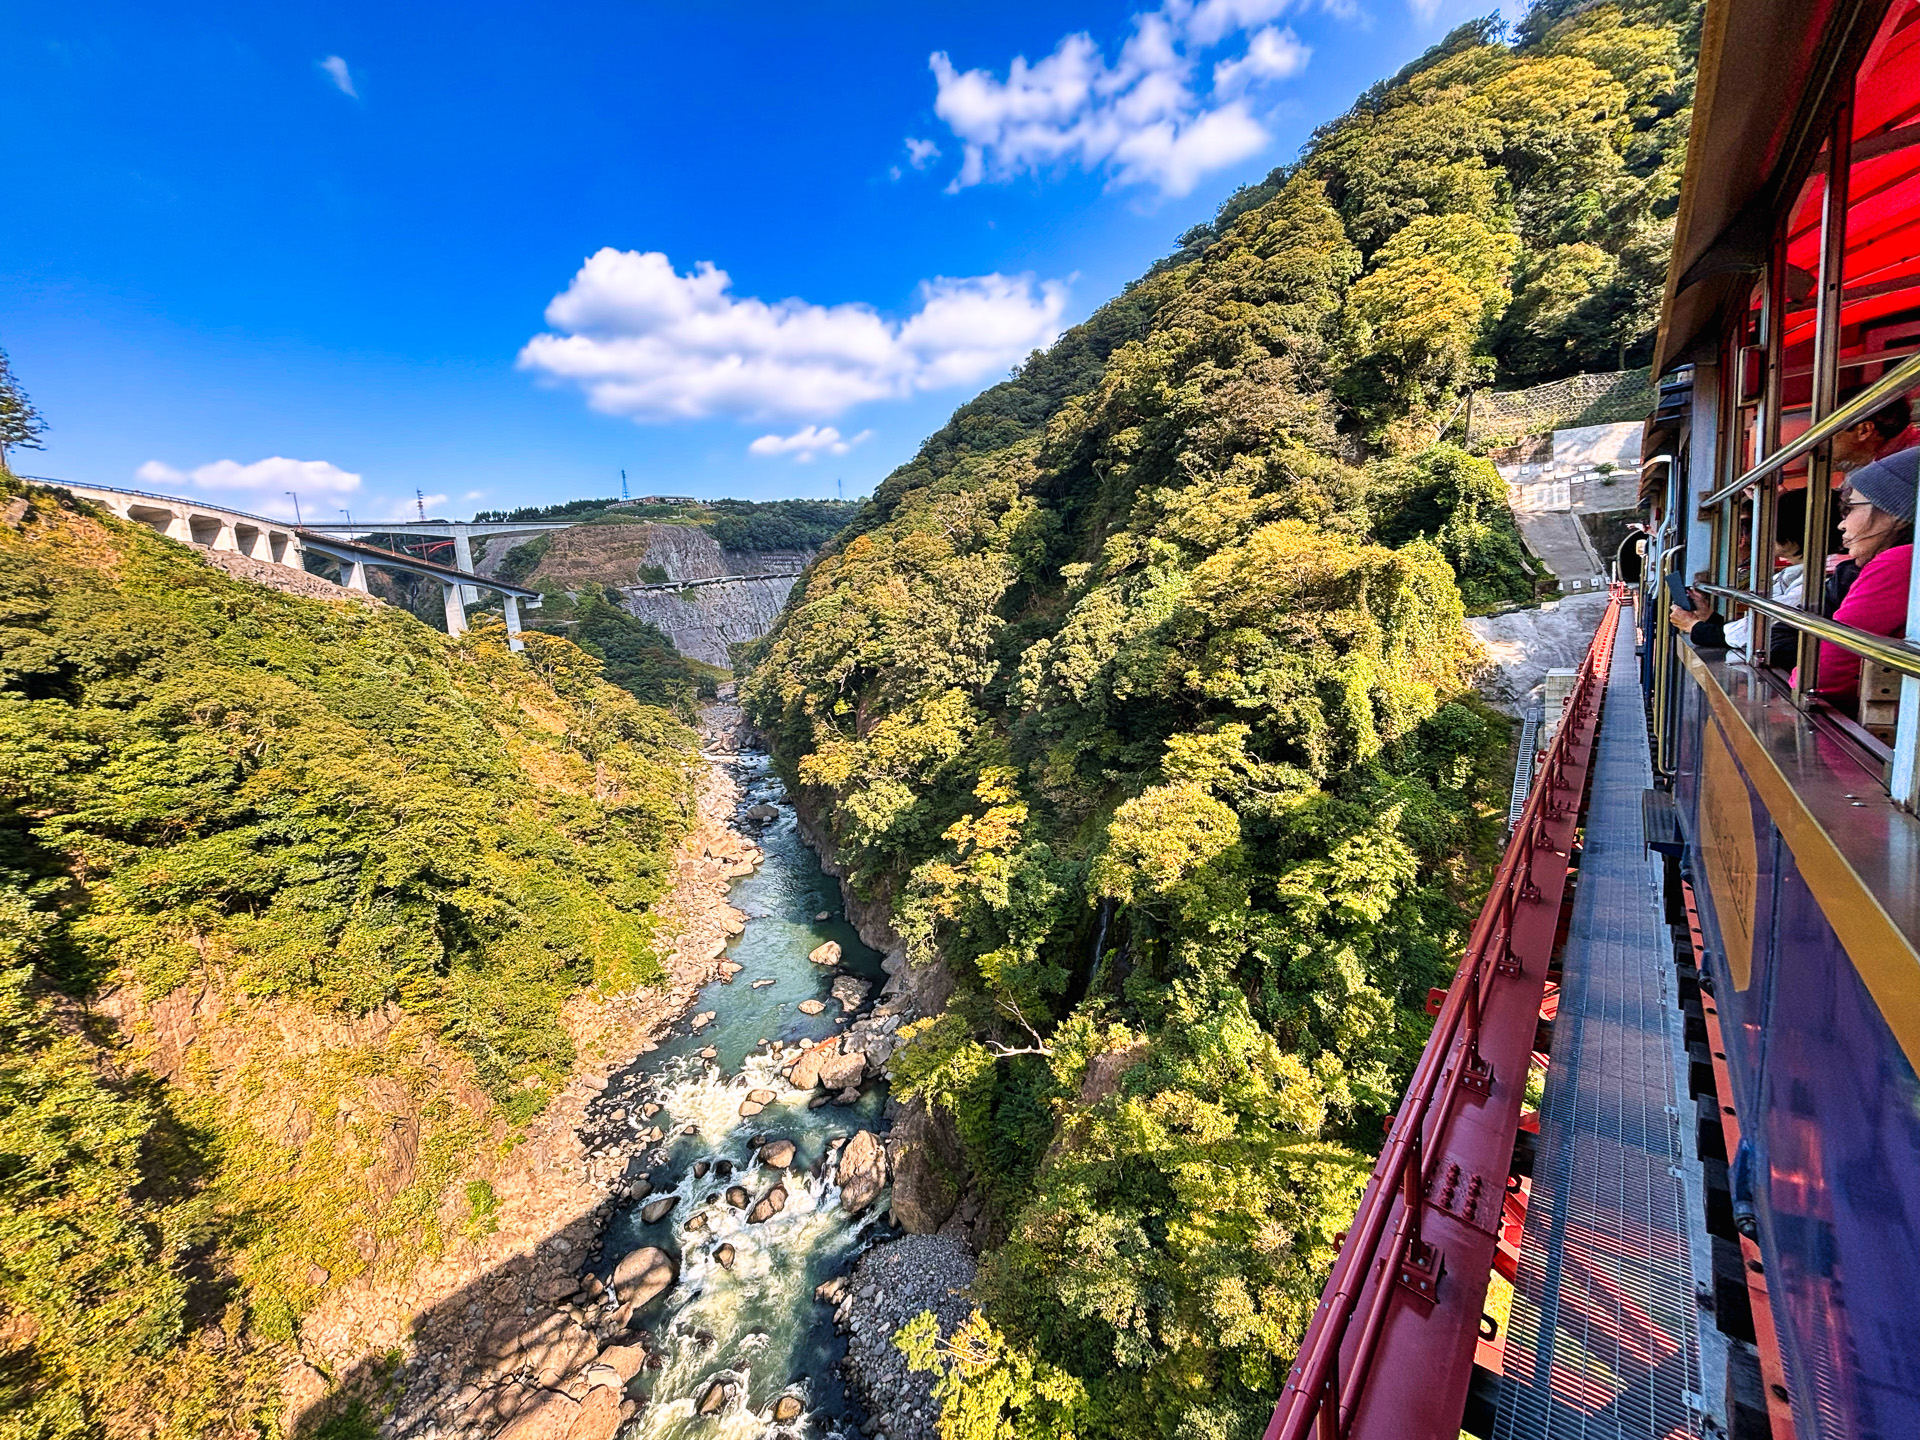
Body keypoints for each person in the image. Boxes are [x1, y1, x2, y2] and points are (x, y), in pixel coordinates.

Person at [1802, 448, 1916, 713]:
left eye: (1849, 508)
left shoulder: (1900, 562)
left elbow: (1821, 678)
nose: (1842, 525)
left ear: (1896, 510)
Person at [1829, 387, 1919, 472]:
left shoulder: (1911, 465)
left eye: (1828, 432)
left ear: (1864, 430)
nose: (1819, 441)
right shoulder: (1863, 455)